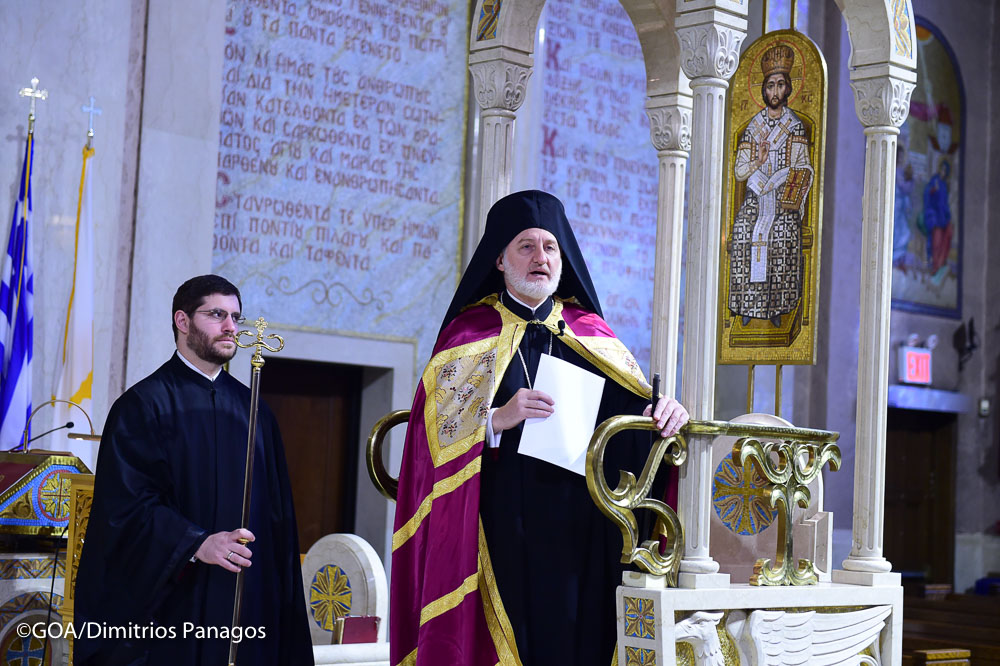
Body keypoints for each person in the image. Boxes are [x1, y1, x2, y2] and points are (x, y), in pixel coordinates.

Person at [390, 190, 688, 665]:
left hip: (580, 530)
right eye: (526, 246)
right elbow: (429, 445)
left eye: (550, 247)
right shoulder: (468, 336)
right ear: (500, 261)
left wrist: (666, 415)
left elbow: (631, 425)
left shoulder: (591, 334)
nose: (541, 258)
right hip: (499, 528)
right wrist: (496, 420)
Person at [74, 275, 313, 665]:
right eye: (216, 314)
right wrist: (196, 543)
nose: (231, 327)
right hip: (175, 608)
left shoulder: (255, 413)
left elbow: (277, 519)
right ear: (182, 321)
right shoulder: (143, 406)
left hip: (248, 600)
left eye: (236, 316)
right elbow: (126, 508)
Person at [729, 43, 814, 328]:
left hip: (782, 199)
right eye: (769, 86)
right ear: (763, 90)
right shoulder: (754, 127)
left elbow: (804, 167)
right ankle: (745, 305)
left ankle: (777, 306)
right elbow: (740, 171)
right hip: (756, 196)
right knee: (742, 230)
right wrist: (758, 162)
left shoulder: (795, 126)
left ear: (788, 89)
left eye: (780, 85)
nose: (774, 92)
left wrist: (787, 176)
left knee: (780, 235)